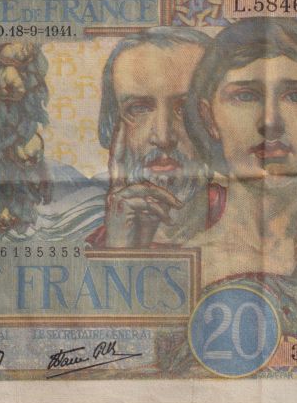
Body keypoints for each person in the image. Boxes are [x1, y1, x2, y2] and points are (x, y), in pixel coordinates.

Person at [184, 17, 297, 301]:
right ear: (209, 118)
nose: (270, 122)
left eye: (296, 96)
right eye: (245, 96)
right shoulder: (184, 262)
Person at [87, 27, 214, 248]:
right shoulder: (99, 247)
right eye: (139, 108)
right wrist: (119, 250)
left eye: (187, 109)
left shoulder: (257, 227)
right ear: (114, 127)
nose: (163, 138)